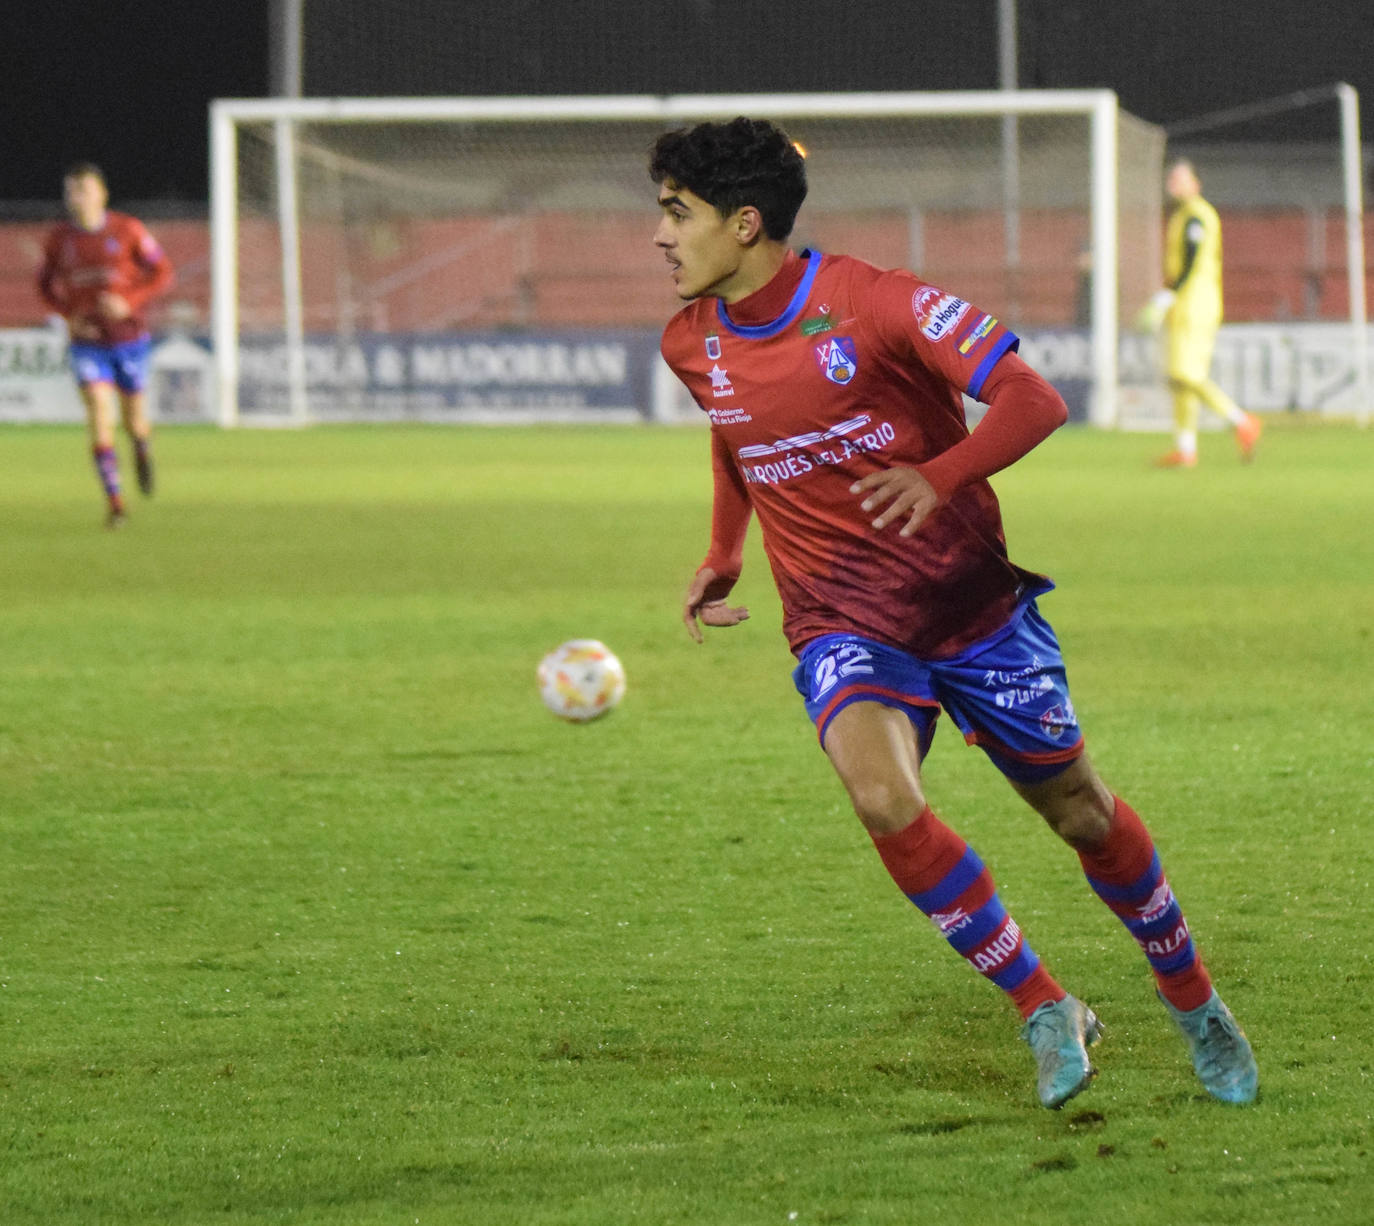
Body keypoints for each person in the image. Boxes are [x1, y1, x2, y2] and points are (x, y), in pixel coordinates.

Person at [652, 117, 1258, 1109]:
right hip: (838, 616)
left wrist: (940, 475)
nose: (661, 235)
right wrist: (724, 552)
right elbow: (734, 437)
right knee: (881, 795)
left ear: (745, 222)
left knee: (1080, 810)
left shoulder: (876, 303)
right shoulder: (691, 341)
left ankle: (1192, 997)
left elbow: (1032, 397)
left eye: (677, 213)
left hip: (968, 606)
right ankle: (1044, 1002)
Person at [37, 162, 174, 527]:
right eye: (70, 190)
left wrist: (130, 300)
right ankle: (116, 505)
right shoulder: (59, 239)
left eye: (82, 189)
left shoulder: (127, 230)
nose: (75, 197)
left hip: (129, 338)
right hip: (88, 343)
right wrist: (68, 315)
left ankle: (142, 447)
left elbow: (162, 272)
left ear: (101, 193)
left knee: (134, 421)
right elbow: (44, 285)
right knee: (99, 410)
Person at [1139, 159, 1261, 467]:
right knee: (1178, 379)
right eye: (1171, 179)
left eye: (1179, 179)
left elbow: (1192, 260)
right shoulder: (1181, 216)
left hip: (1197, 303)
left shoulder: (1197, 215)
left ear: (1196, 184)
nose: (1172, 184)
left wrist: (1167, 295)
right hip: (1183, 304)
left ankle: (1242, 422)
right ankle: (1186, 449)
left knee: (1185, 374)